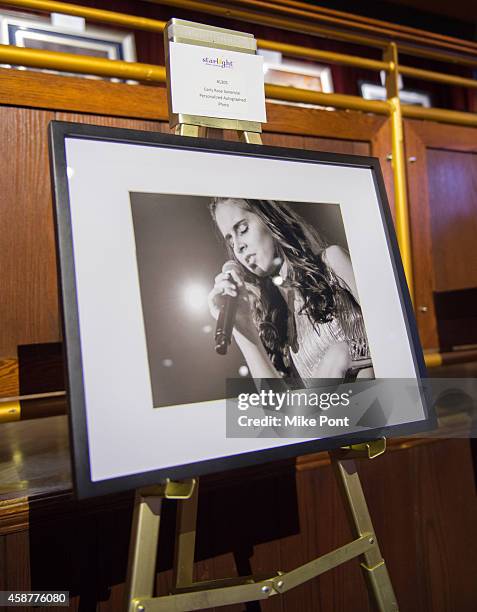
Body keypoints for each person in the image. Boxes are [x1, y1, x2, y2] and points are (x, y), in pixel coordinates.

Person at [207, 197, 373, 384]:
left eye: (243, 229)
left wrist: (345, 354)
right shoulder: (276, 324)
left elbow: (396, 334)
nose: (238, 246)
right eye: (230, 242)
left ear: (268, 218)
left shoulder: (332, 264)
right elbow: (278, 410)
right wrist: (242, 327)